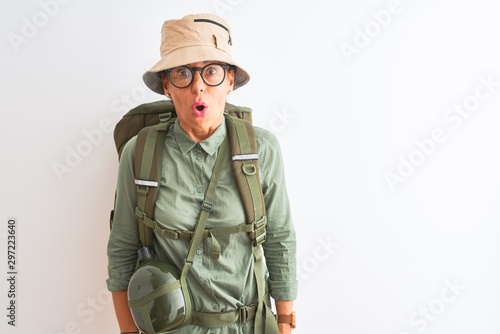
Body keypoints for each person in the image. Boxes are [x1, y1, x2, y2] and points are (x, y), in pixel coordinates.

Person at [107, 13, 297, 334]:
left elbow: (280, 240)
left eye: (211, 71)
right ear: (167, 86)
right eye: (182, 73)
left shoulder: (262, 149)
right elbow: (122, 251)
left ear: (230, 80)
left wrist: (285, 324)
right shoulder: (139, 154)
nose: (198, 87)